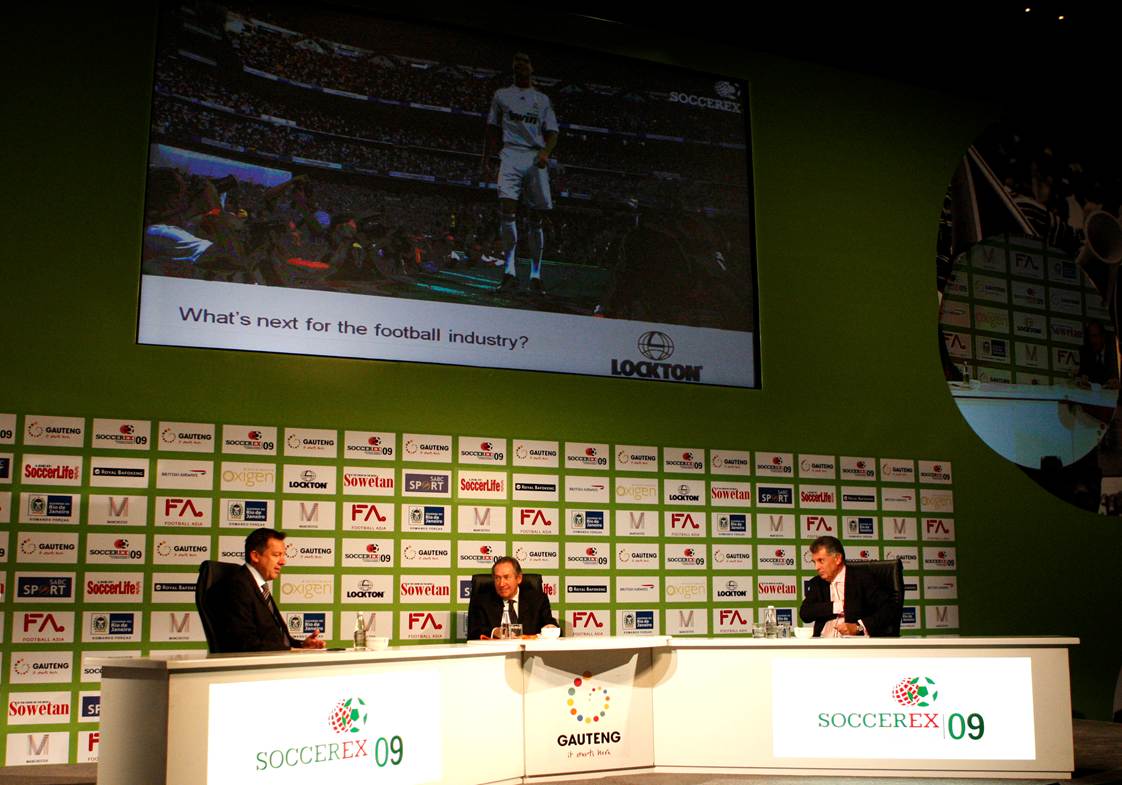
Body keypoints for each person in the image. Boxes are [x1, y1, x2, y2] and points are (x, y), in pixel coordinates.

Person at [482, 52, 558, 295]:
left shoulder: (542, 99)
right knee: (507, 212)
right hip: (510, 153)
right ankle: (509, 272)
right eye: (517, 63)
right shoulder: (502, 95)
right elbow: (491, 127)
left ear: (531, 68)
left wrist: (545, 152)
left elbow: (553, 132)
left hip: (535, 156)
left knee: (536, 219)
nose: (521, 66)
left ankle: (536, 275)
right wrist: (488, 158)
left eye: (525, 62)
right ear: (513, 69)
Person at [206, 527, 326, 652]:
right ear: (255, 556)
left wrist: (302, 645)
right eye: (276, 555)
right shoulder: (236, 587)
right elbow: (245, 643)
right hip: (257, 663)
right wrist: (292, 651)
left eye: (283, 555)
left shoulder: (258, 587)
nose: (283, 561)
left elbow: (273, 639)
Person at [799, 536, 894, 637]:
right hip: (823, 642)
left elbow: (888, 610)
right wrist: (837, 606)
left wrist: (859, 627)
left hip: (855, 643)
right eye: (814, 562)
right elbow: (805, 613)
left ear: (837, 559)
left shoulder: (862, 578)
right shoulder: (817, 583)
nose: (817, 567)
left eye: (821, 561)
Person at [466, 556, 558, 639]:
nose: (501, 584)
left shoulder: (538, 600)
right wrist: (495, 631)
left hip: (529, 651)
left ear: (519, 578)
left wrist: (550, 629)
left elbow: (552, 626)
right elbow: (473, 632)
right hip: (494, 651)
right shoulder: (481, 601)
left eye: (506, 577)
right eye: (497, 578)